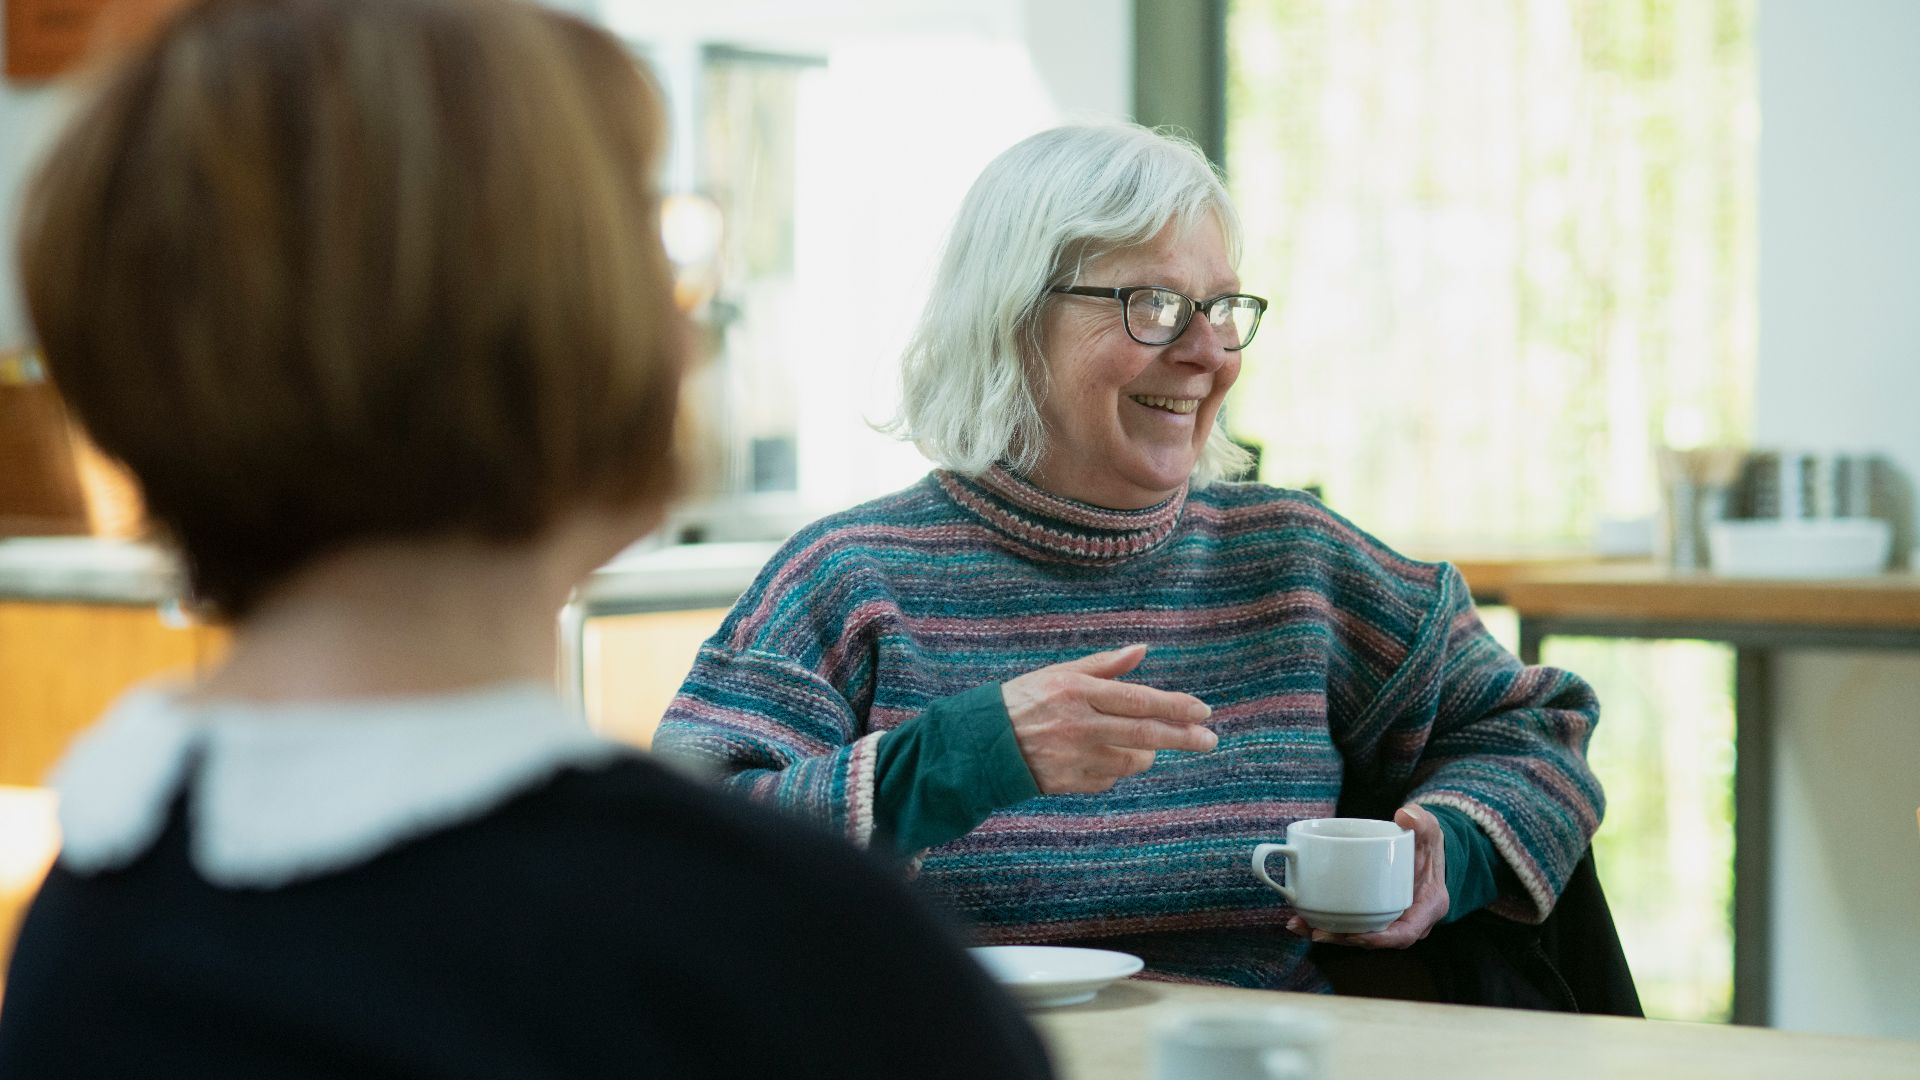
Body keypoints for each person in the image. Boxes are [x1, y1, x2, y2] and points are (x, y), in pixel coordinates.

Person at [0, 2, 1051, 1076]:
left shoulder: (88, 930)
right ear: (571, 330)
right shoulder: (792, 953)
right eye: (653, 239)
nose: (691, 316)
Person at [654, 123, 1606, 993]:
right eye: (1152, 304)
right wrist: (960, 759)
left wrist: (1456, 849)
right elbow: (671, 856)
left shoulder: (1295, 561)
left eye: (1222, 306)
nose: (1207, 352)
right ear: (1014, 319)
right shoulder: (850, 577)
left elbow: (1536, 726)